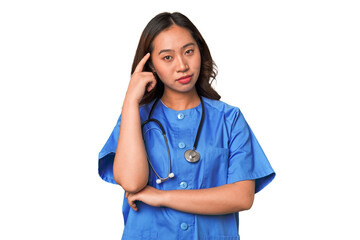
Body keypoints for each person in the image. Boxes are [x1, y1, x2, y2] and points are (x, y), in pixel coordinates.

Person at [98, 12, 275, 239]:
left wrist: (162, 196)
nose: (182, 65)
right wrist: (131, 100)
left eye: (189, 52)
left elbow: (241, 197)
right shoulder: (135, 117)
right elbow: (132, 182)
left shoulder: (229, 119)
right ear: (150, 64)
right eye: (167, 57)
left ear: (200, 52)